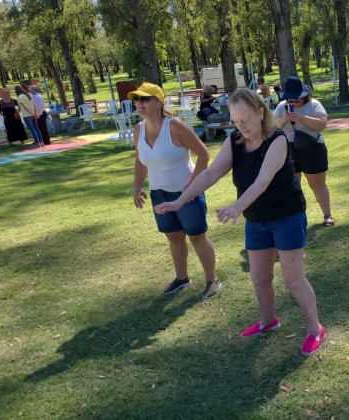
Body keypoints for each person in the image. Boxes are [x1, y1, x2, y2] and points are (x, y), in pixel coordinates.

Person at [154, 88, 326, 356]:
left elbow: (263, 180)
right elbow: (211, 174)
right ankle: (268, 321)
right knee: (259, 276)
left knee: (293, 280)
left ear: (260, 112)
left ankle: (315, 329)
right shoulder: (235, 141)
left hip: (286, 216)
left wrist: (237, 206)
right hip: (256, 219)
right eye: (235, 120)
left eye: (244, 118)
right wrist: (180, 200)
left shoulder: (277, 139)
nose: (240, 125)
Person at [130, 82, 221, 298]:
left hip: (186, 194)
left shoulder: (174, 126)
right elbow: (140, 161)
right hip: (158, 194)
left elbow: (204, 154)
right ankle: (182, 279)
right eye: (136, 99)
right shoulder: (138, 130)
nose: (138, 103)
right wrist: (137, 186)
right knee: (173, 237)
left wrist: (193, 184)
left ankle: (212, 280)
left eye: (144, 99)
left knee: (197, 236)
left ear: (159, 103)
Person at [273, 76, 335, 227]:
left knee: (317, 184)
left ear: (305, 95)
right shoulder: (281, 107)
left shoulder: (314, 105)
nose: (293, 103)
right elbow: (272, 131)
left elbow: (322, 124)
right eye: (290, 100)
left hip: (313, 149)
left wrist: (301, 117)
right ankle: (296, 218)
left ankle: (327, 215)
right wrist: (282, 121)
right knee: (293, 186)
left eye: (297, 100)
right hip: (289, 149)